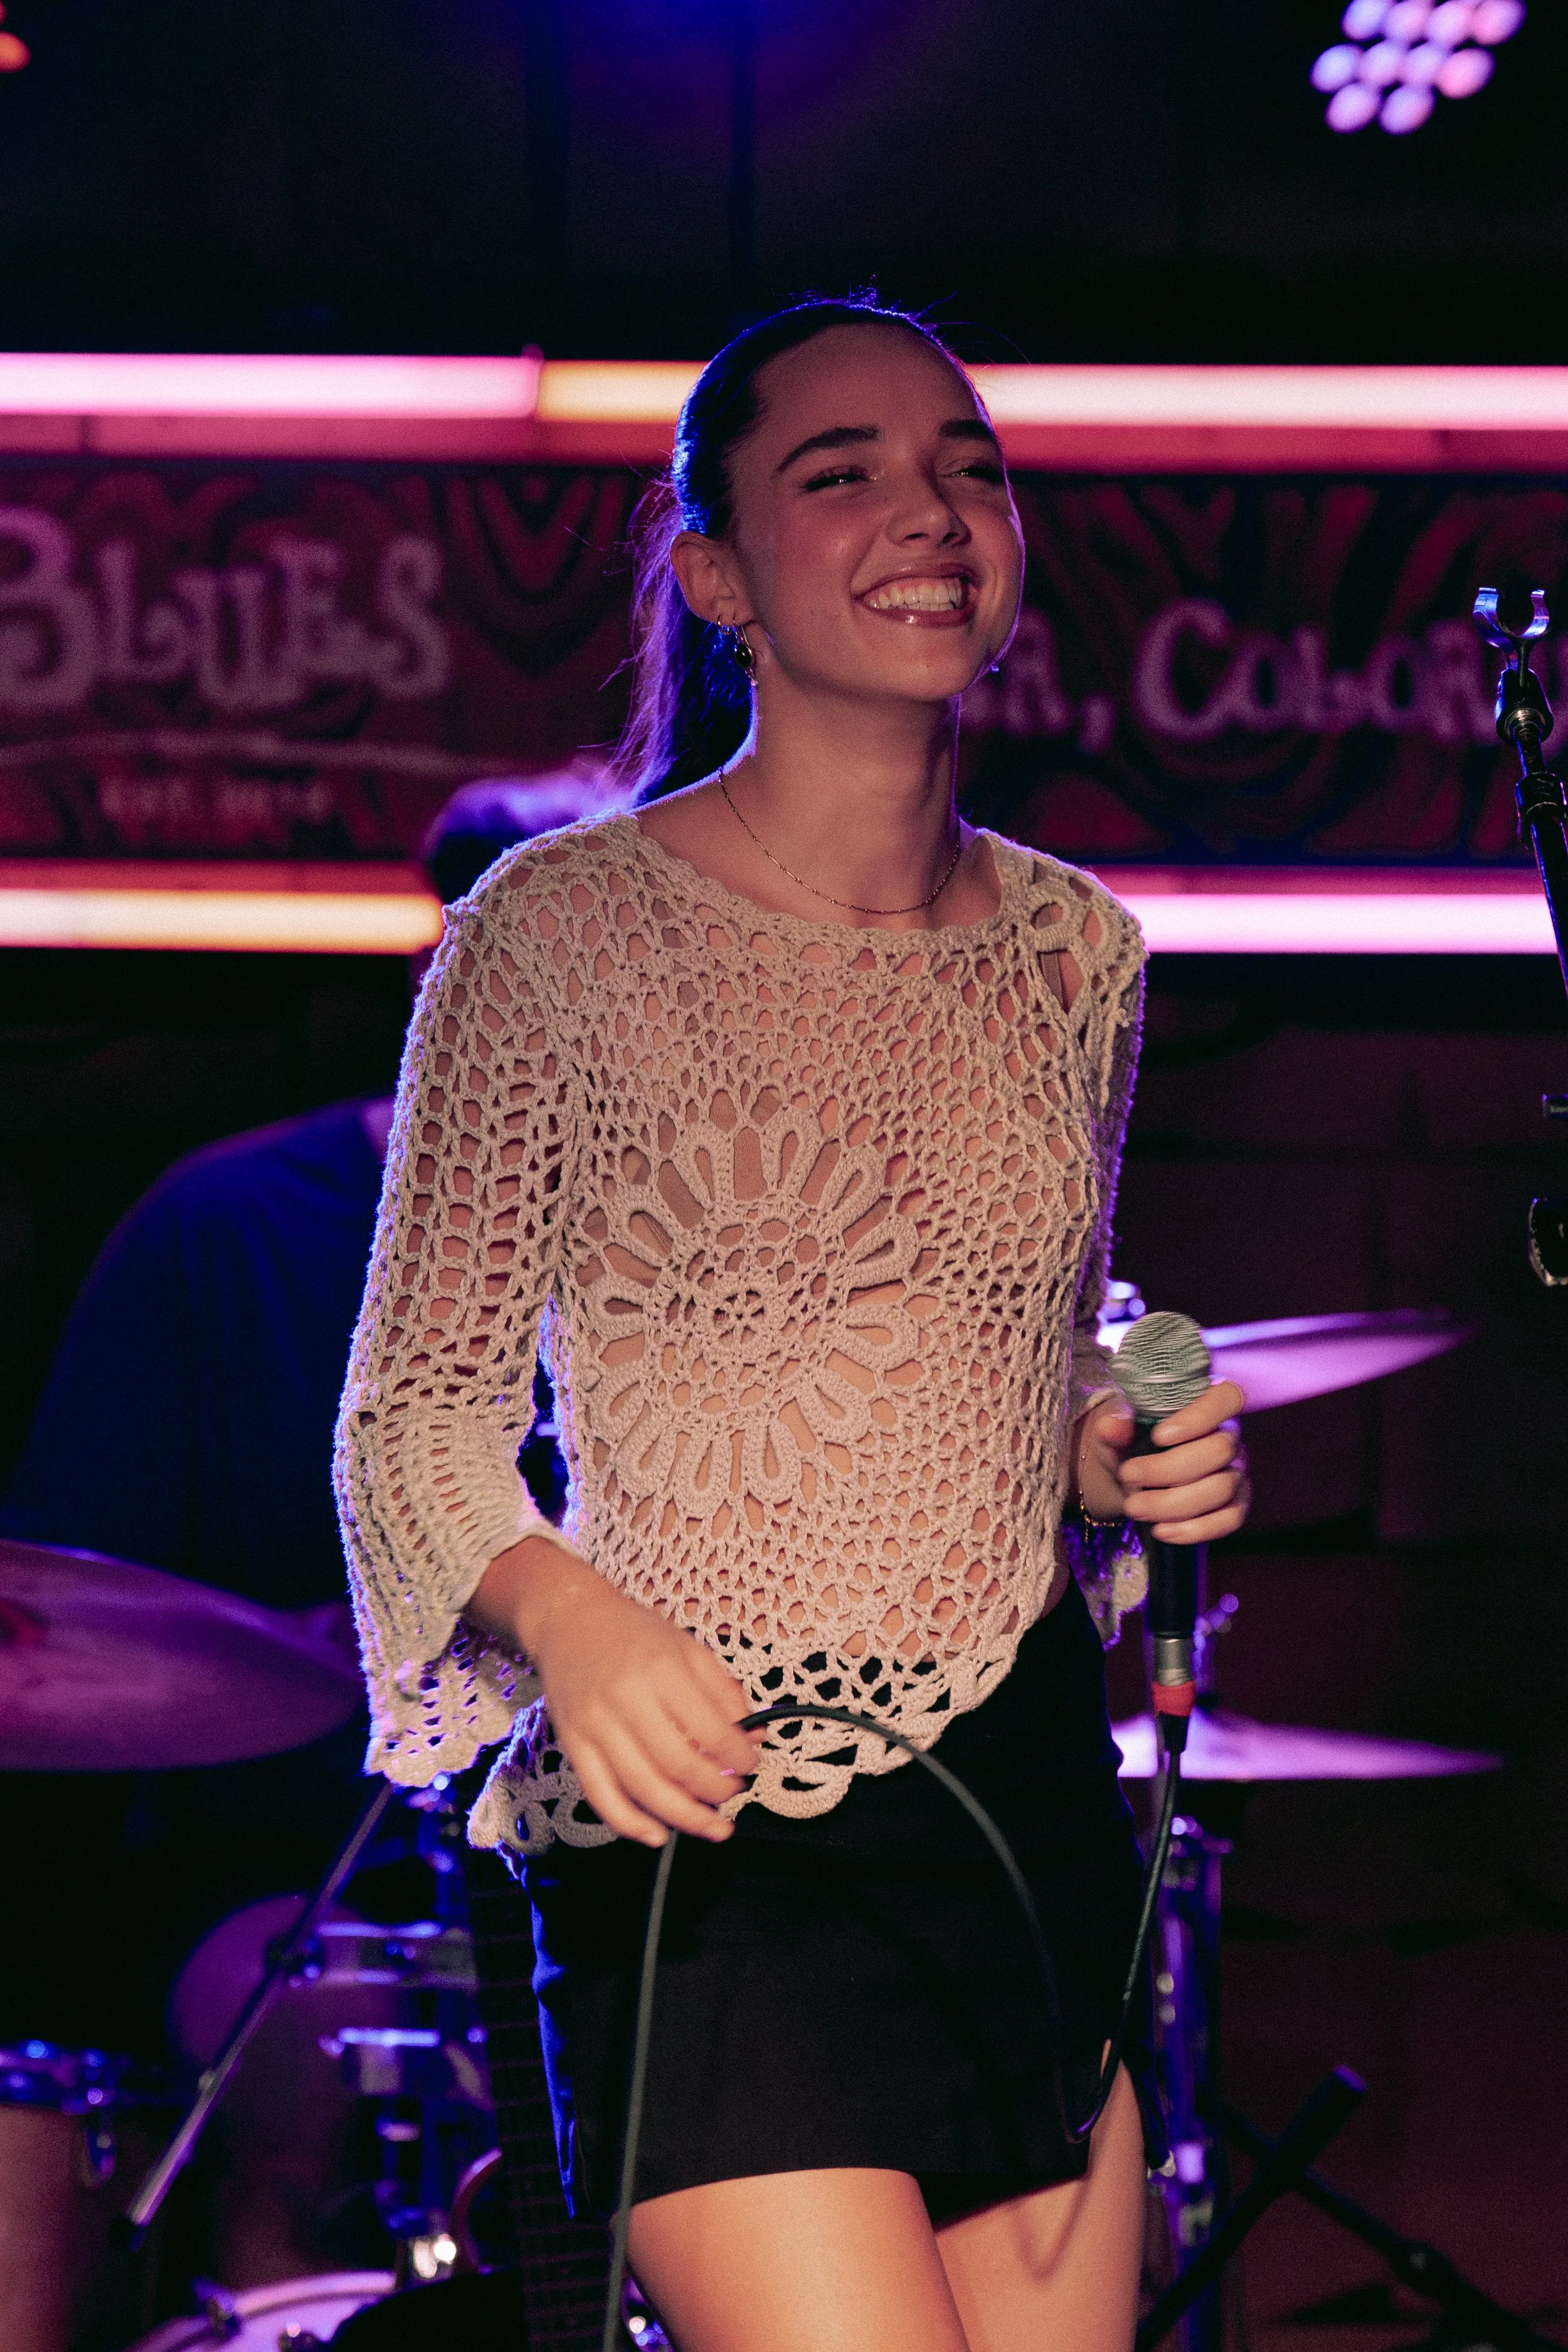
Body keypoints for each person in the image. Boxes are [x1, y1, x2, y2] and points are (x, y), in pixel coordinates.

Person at [334, 297, 1251, 2352]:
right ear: (720, 575)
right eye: (840, 472)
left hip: (1022, 1820)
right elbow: (412, 1419)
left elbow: (1025, 1338)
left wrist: (1125, 1435)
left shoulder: (1075, 952)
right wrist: (570, 1618)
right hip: (714, 1849)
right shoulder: (558, 936)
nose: (927, 511)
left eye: (966, 463)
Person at [0, 768, 622, 2352]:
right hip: (293, 1890)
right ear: (450, 977)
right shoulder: (228, 1231)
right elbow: (55, 1637)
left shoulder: (708, 1258)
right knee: (322, 2047)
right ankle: (281, 2302)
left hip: (650, 1863)